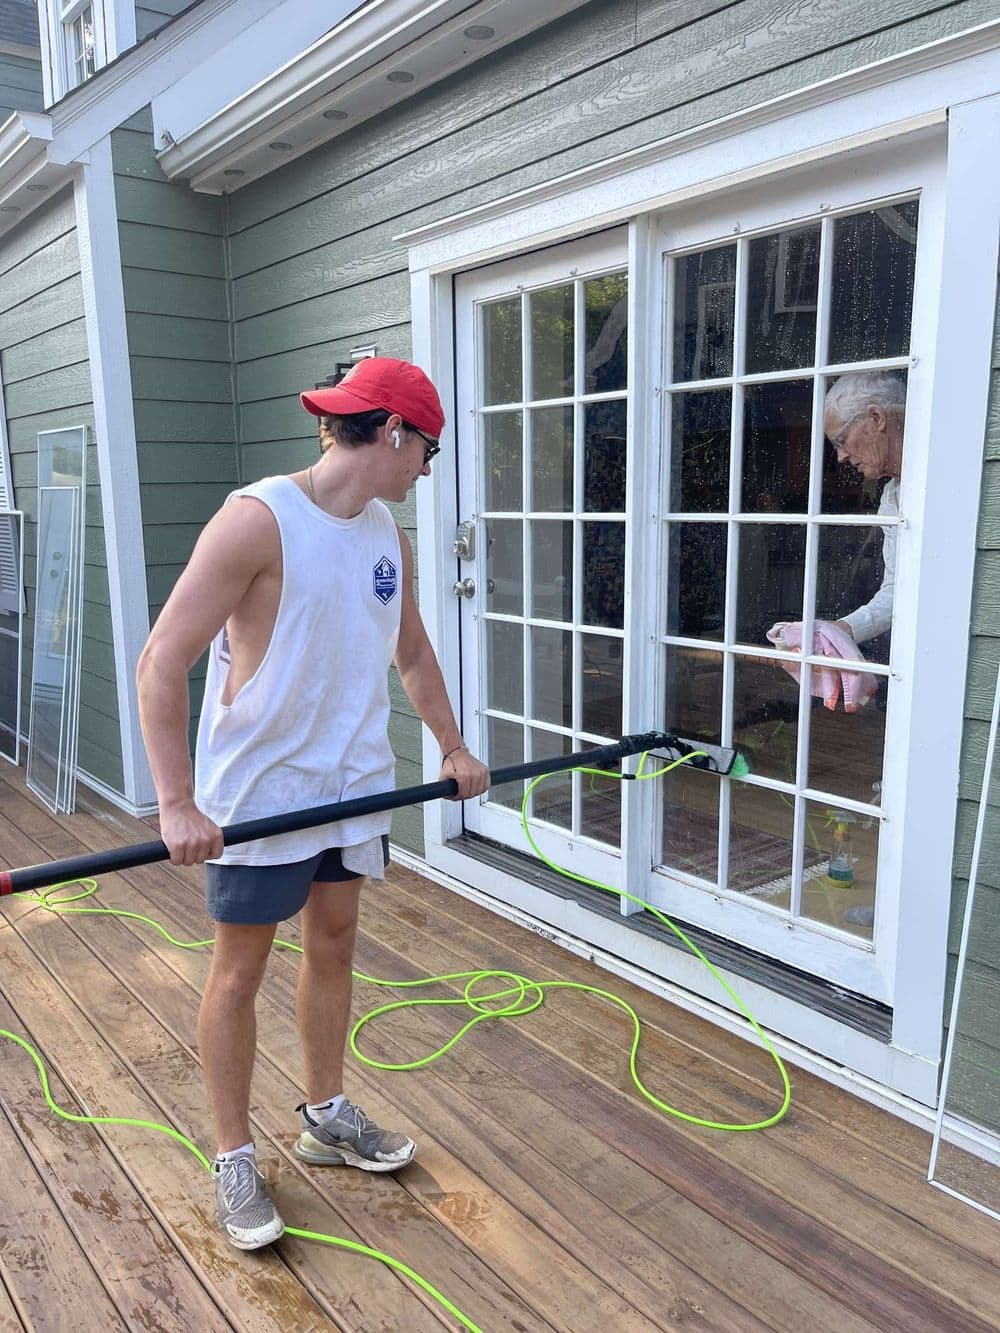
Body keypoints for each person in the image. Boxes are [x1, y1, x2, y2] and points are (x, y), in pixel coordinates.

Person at [136, 356, 490, 1251]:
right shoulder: (258, 521)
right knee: (239, 974)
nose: (426, 471)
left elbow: (410, 653)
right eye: (429, 452)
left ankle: (326, 1113)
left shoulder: (385, 536)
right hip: (260, 795)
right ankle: (233, 1155)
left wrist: (450, 745)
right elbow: (160, 660)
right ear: (397, 433)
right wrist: (176, 800)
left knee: (333, 946)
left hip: (352, 785)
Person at [823, 369, 906, 643]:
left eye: (842, 441)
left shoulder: (948, 476)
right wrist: (842, 630)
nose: (841, 457)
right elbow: (898, 591)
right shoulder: (892, 497)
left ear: (876, 418)